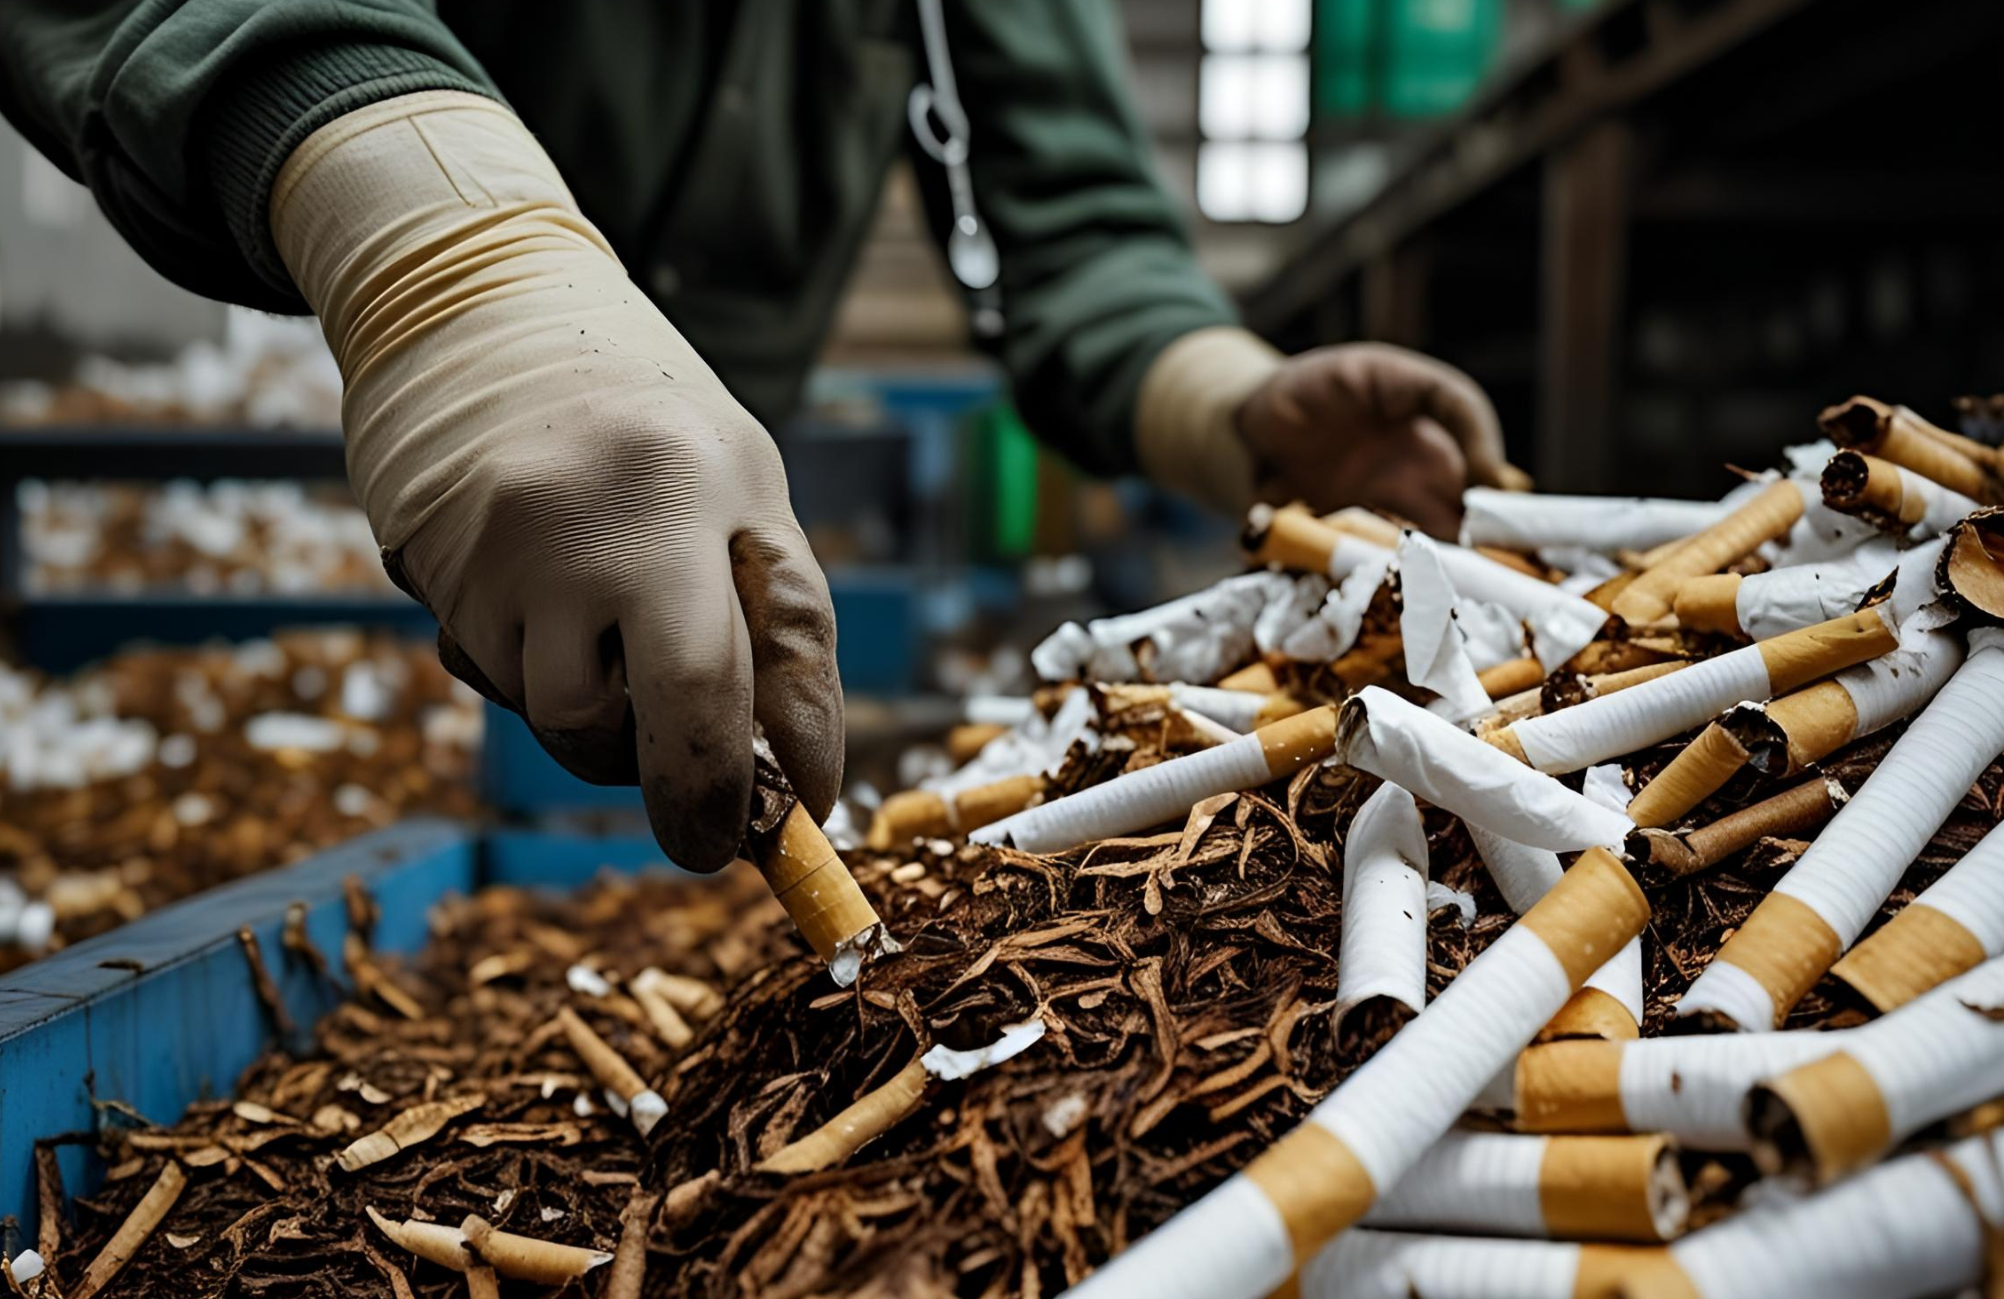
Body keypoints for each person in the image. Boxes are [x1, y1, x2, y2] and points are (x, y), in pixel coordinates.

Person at [1, 1, 1513, 871]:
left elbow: (1065, 216)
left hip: (715, 471)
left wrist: (1223, 400)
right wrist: (439, 256)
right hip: (389, 398)